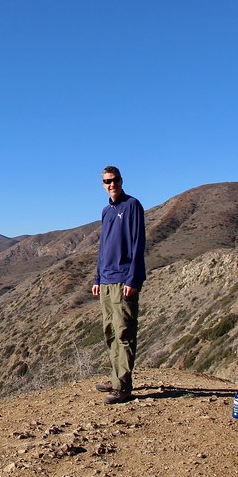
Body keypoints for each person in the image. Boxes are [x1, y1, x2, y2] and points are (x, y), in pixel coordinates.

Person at [91, 165, 146, 404]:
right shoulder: (106, 211)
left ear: (121, 181)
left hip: (124, 280)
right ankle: (115, 379)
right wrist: (97, 278)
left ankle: (123, 386)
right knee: (110, 332)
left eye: (113, 180)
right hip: (106, 281)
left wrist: (133, 278)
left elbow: (138, 244)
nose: (110, 184)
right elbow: (103, 248)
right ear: (102, 184)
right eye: (106, 181)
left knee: (124, 332)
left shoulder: (132, 206)